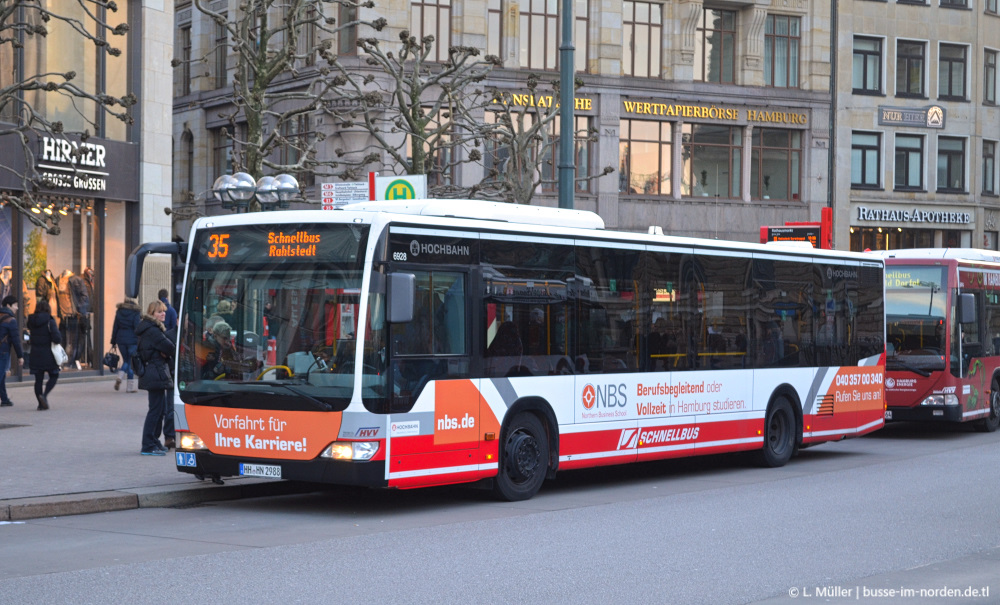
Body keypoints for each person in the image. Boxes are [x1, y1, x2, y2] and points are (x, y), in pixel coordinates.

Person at [136, 300, 175, 455]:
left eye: (164, 311)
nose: (163, 313)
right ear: (152, 314)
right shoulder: (153, 330)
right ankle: (147, 444)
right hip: (155, 373)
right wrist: (164, 352)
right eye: (159, 312)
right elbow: (170, 347)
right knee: (155, 410)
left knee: (159, 410)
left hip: (154, 372)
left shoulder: (151, 329)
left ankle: (154, 440)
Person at [27, 298, 61, 410]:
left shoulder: (31, 321)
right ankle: (44, 395)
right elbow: (57, 339)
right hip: (48, 354)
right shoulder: (50, 321)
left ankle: (40, 404)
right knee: (54, 375)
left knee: (38, 380)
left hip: (35, 354)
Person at [110, 296, 141, 392]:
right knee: (130, 362)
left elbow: (115, 327)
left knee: (126, 360)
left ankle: (120, 377)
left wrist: (113, 341)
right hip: (132, 340)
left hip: (121, 340)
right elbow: (137, 327)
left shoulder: (119, 311)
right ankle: (129, 387)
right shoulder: (136, 312)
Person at [0, 295, 24, 407]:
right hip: (3, 351)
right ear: (8, 306)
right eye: (15, 305)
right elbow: (16, 339)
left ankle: (4, 399)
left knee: (2, 375)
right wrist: (20, 356)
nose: (17, 308)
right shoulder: (11, 320)